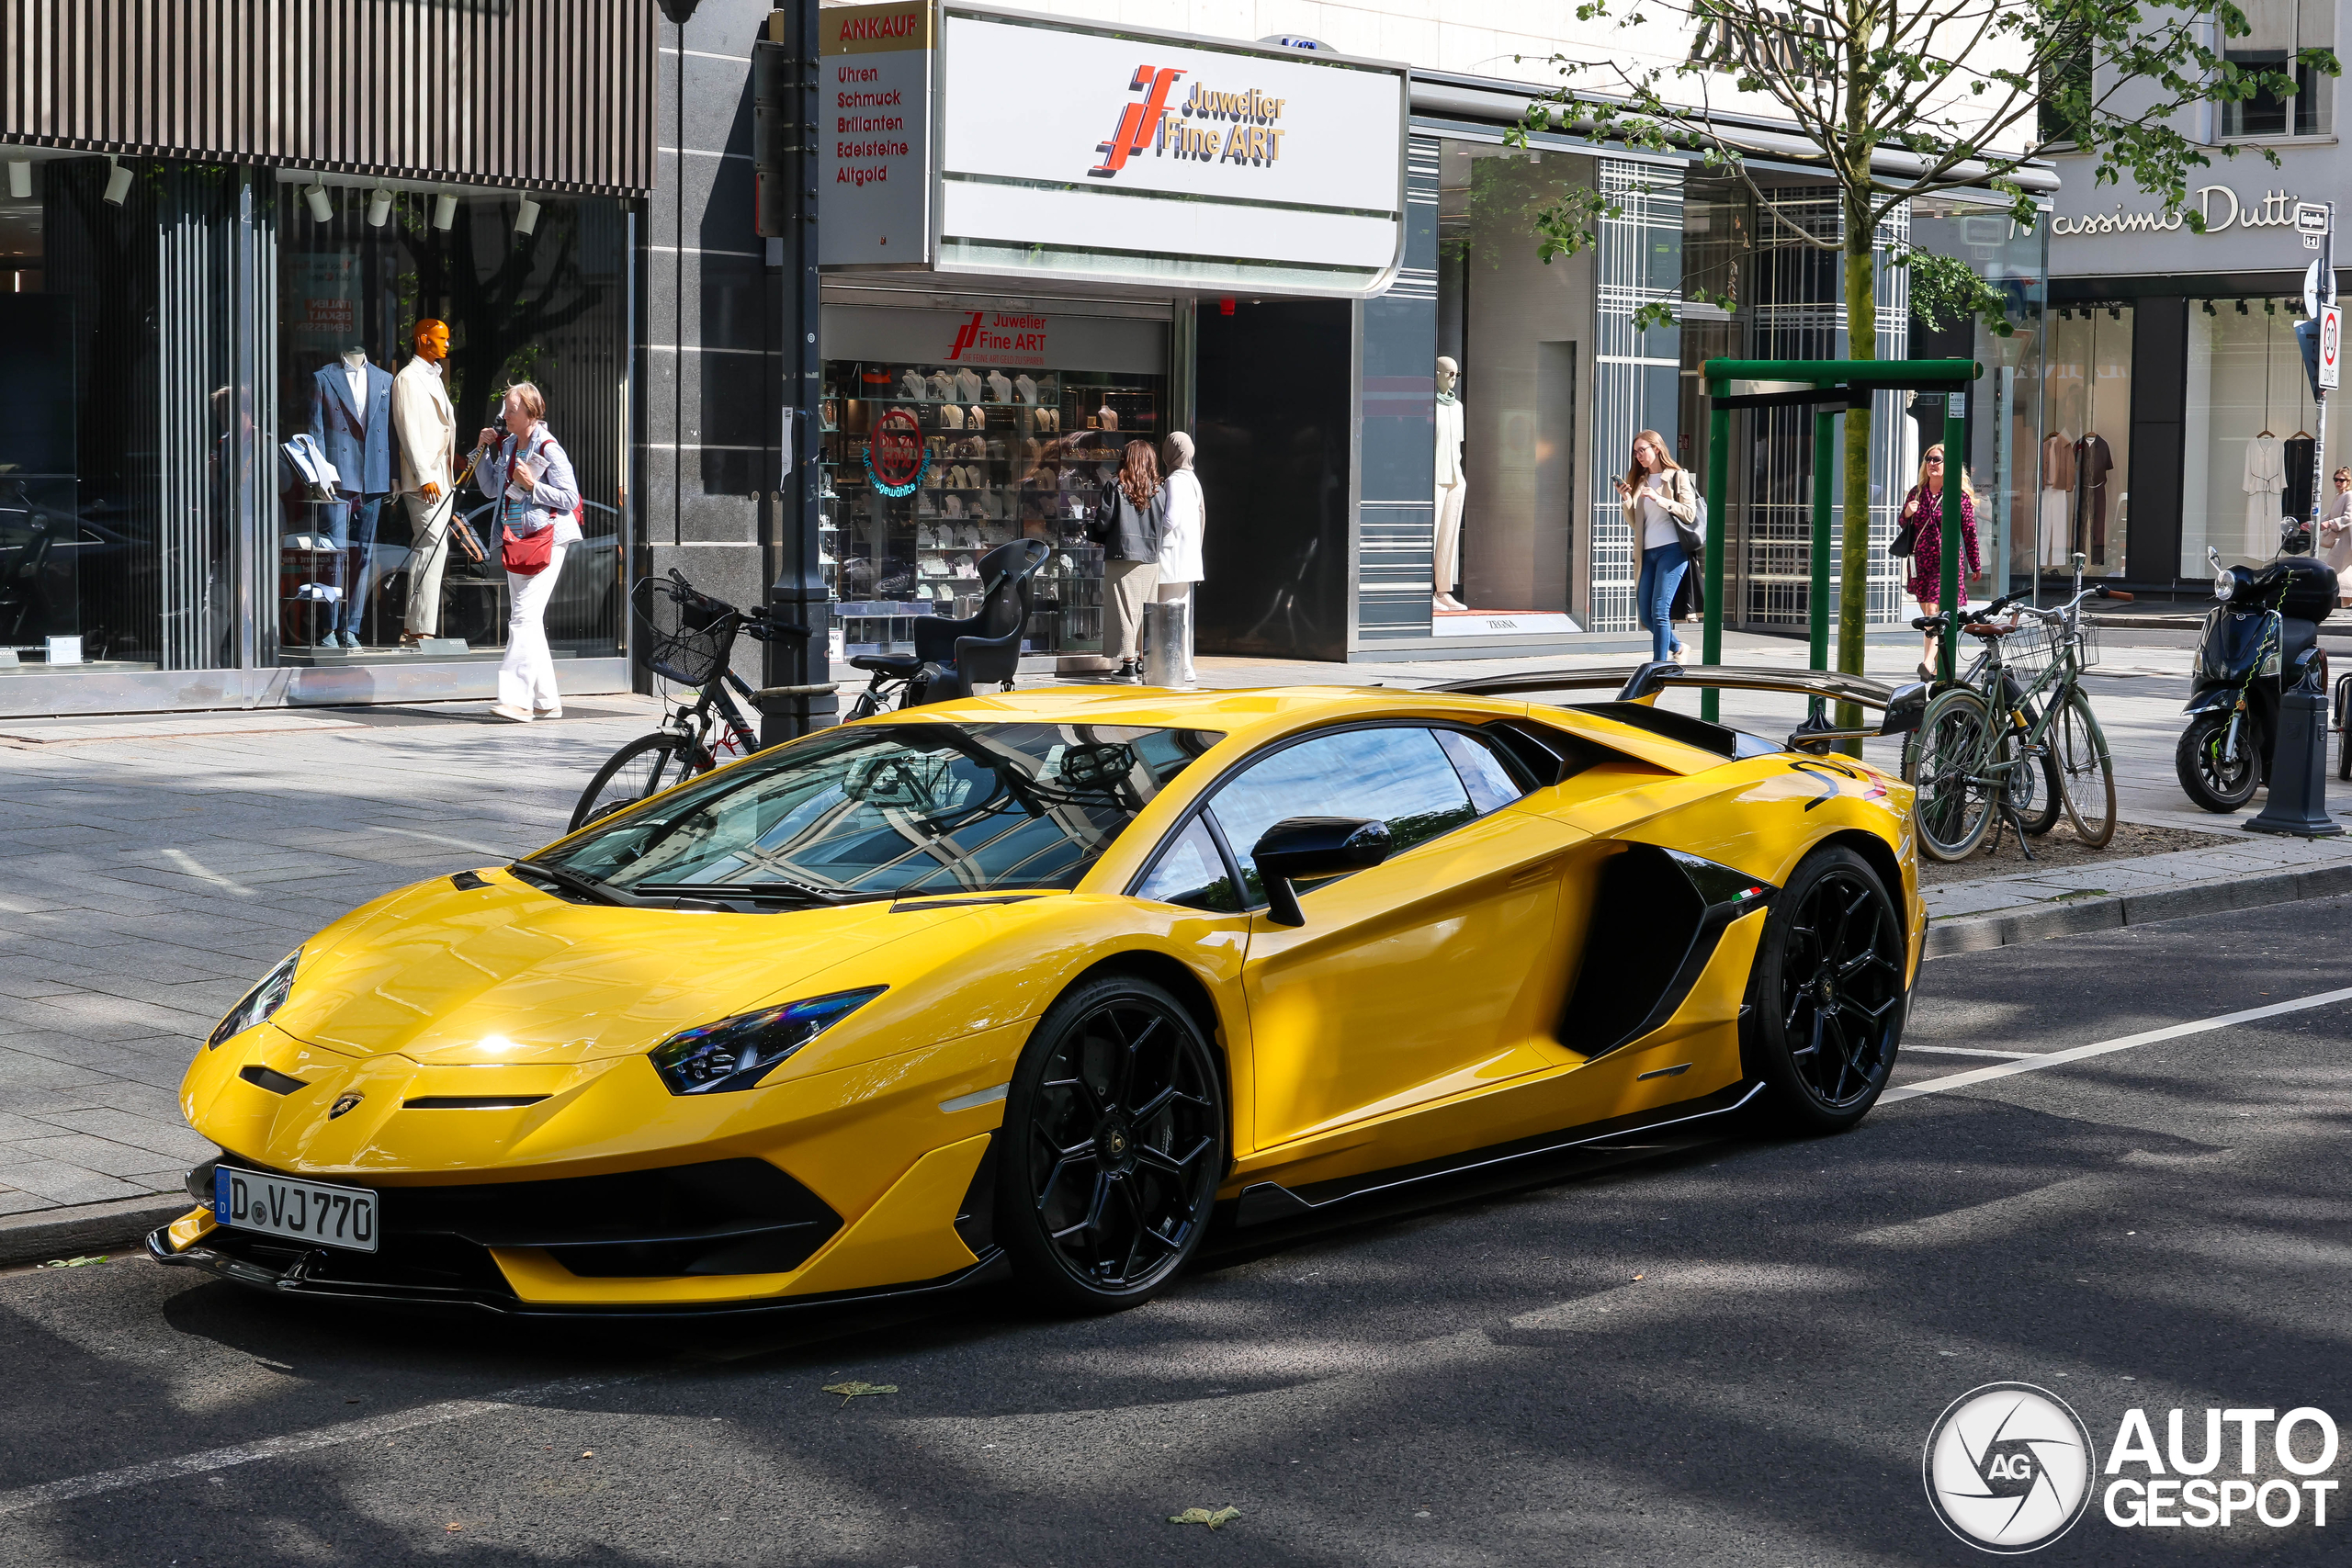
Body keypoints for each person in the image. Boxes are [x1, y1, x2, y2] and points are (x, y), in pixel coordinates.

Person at [475, 382, 581, 721]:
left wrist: (534, 485)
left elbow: (571, 498)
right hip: (516, 541)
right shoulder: (506, 446)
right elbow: (492, 490)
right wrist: (482, 451)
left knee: (521, 617)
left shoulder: (549, 448)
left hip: (548, 540)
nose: (505, 414)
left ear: (531, 412)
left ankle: (517, 701)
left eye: (511, 409)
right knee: (529, 620)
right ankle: (548, 701)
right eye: (505, 408)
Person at [1612, 428, 1698, 664]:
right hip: (1646, 553)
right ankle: (1678, 646)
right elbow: (1636, 524)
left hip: (1672, 550)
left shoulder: (1677, 475)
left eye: (1642, 450)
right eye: (1635, 452)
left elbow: (1689, 513)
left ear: (1656, 448)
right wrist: (1627, 499)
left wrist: (1659, 499)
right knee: (1647, 616)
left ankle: (1658, 667)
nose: (1638, 456)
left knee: (1660, 611)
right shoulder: (1640, 481)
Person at [1903, 443, 1981, 678]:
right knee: (1930, 618)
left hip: (1945, 562)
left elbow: (1969, 531)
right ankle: (1937, 667)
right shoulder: (1916, 493)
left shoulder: (1958, 496)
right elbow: (1903, 525)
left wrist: (1975, 564)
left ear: (1948, 465)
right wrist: (1907, 513)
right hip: (1920, 561)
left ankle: (1926, 663)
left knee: (1933, 609)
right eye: (1928, 459)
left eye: (1936, 459)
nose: (1931, 464)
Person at [1091, 438, 1165, 680]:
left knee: (1124, 608)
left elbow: (1103, 521)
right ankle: (1145, 661)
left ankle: (1128, 664)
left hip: (1122, 554)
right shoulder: (1159, 491)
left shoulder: (1116, 487)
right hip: (1150, 558)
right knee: (1146, 610)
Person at [1156, 432, 1204, 685]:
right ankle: (1185, 666)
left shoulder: (1174, 480)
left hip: (1171, 557)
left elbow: (1169, 519)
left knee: (1167, 614)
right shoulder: (1192, 479)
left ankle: (1171, 666)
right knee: (1181, 616)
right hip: (1187, 559)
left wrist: (1153, 529)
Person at [2320, 466, 2352, 604]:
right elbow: (2330, 515)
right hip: (2340, 539)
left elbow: (2349, 516)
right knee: (2340, 571)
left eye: (2342, 480)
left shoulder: (2349, 495)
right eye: (2336, 479)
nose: (2338, 482)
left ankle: (2331, 602)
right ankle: (2346, 604)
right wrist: (2314, 524)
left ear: (2348, 481)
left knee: (2335, 570)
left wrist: (2330, 523)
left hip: (2346, 538)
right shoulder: (2338, 497)